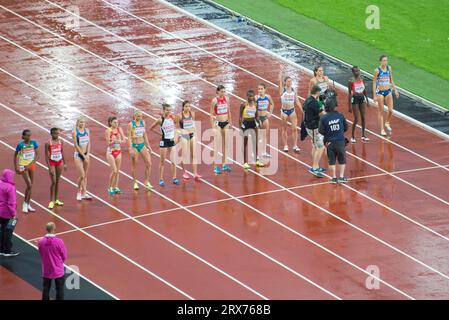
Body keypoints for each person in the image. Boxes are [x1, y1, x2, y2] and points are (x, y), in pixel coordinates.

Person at [149, 103, 180, 187]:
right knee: (162, 161)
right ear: (163, 110)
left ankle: (174, 178)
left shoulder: (172, 118)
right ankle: (161, 179)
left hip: (171, 141)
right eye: (167, 110)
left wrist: (176, 135)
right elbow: (151, 128)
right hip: (164, 141)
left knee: (173, 160)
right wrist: (160, 134)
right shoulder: (160, 120)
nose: (169, 112)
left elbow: (177, 125)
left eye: (170, 110)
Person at [319, 99, 349, 184]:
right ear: (334, 106)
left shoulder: (323, 118)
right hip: (340, 142)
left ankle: (334, 178)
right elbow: (346, 127)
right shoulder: (340, 116)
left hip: (329, 143)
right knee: (342, 159)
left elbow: (320, 130)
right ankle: (341, 177)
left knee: (331, 160)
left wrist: (328, 134)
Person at [38, 222, 67, 300]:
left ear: (46, 229)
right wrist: (60, 262)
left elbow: (40, 252)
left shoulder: (40, 241)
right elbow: (64, 255)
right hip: (58, 269)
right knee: (59, 289)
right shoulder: (59, 241)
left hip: (46, 268)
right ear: (54, 229)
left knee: (46, 288)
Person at [372, 55, 399, 136]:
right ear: (380, 61)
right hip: (380, 92)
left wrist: (395, 90)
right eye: (384, 60)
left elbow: (391, 80)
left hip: (388, 91)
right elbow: (374, 83)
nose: (385, 62)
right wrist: (374, 95)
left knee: (391, 110)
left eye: (386, 60)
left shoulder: (389, 68)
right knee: (381, 111)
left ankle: (387, 122)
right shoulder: (377, 70)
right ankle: (382, 129)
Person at [175, 101, 201, 181]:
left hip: (192, 135)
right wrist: (178, 136)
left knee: (194, 155)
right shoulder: (179, 116)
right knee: (184, 155)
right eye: (186, 106)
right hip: (184, 136)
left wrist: (196, 134)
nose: (188, 108)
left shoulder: (192, 114)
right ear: (183, 107)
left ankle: (195, 173)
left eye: (189, 106)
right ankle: (184, 172)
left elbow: (193, 124)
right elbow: (177, 128)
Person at [303, 85, 326, 177]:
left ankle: (315, 165)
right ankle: (315, 167)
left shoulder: (308, 100)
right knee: (321, 147)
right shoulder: (314, 103)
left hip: (309, 125)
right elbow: (322, 113)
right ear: (317, 92)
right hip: (313, 127)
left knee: (314, 146)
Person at [239, 89, 265, 170]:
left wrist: (259, 121)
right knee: (245, 143)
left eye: (252, 96)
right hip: (246, 123)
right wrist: (240, 126)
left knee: (255, 142)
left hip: (253, 123)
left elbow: (256, 115)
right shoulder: (243, 104)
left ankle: (256, 160)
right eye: (250, 96)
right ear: (247, 97)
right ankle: (245, 162)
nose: (251, 97)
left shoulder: (255, 104)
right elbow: (240, 116)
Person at [14, 129, 38, 212]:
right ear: (23, 136)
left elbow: (37, 155)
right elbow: (15, 156)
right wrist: (16, 167)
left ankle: (28, 204)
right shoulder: (20, 145)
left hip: (31, 165)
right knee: (29, 185)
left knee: (31, 186)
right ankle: (24, 204)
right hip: (23, 166)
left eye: (30, 135)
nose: (29, 137)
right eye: (27, 135)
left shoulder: (34, 143)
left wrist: (30, 164)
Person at [127, 110, 153, 190]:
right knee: (135, 165)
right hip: (134, 145)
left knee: (149, 164)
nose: (140, 117)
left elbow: (145, 135)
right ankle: (135, 182)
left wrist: (148, 146)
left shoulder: (143, 123)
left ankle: (146, 181)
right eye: (138, 116)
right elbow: (129, 137)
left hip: (142, 145)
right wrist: (130, 148)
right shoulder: (131, 125)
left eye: (141, 116)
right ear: (135, 116)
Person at [210, 85, 232, 174]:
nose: (223, 93)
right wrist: (212, 126)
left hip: (226, 123)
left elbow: (229, 110)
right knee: (217, 145)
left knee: (226, 145)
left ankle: (224, 164)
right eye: (222, 91)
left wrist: (230, 121)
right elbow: (211, 114)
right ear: (218, 92)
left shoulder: (227, 99)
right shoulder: (214, 101)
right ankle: (215, 166)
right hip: (218, 124)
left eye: (224, 91)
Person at [279, 71, 302, 153]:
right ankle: (285, 145)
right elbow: (280, 80)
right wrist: (281, 72)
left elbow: (297, 101)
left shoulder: (293, 90)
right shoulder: (282, 89)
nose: (290, 82)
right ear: (285, 82)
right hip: (284, 112)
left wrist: (302, 110)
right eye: (288, 81)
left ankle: (295, 145)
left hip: (292, 111)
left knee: (295, 129)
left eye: (291, 81)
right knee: (284, 129)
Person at [45, 128, 66, 209]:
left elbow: (62, 151)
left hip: (59, 162)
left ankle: (56, 199)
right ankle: (51, 201)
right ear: (51, 134)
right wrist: (49, 167)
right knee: (53, 181)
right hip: (52, 162)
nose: (56, 135)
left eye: (57, 134)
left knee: (57, 181)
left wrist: (65, 163)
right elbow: (46, 156)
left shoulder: (61, 141)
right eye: (54, 134)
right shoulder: (48, 143)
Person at [72, 117, 92, 201]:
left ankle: (84, 193)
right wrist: (83, 156)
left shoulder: (87, 131)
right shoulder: (74, 132)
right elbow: (76, 145)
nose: (82, 124)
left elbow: (89, 143)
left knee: (85, 175)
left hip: (86, 154)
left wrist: (87, 154)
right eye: (80, 122)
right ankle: (78, 192)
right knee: (82, 175)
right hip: (78, 155)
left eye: (83, 122)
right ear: (77, 123)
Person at [0, 169, 19, 257]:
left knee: (1, 229)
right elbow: (11, 202)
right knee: (8, 231)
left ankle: (1, 247)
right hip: (7, 213)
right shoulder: (10, 188)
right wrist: (14, 214)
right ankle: (6, 250)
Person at [348, 66, 370, 143]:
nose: (358, 72)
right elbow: (349, 93)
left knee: (363, 117)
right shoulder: (351, 81)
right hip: (355, 99)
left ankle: (363, 135)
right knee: (356, 119)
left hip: (362, 98)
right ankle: (352, 136)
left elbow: (364, 90)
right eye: (356, 71)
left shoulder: (362, 78)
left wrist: (367, 100)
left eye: (359, 71)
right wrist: (349, 106)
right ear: (353, 72)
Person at [105, 117, 125, 195]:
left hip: (118, 151)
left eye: (117, 122)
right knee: (114, 171)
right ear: (110, 123)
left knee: (118, 172)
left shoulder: (120, 129)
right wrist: (114, 141)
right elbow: (108, 143)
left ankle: (115, 187)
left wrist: (119, 141)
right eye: (114, 122)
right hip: (111, 152)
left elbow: (124, 140)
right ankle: (109, 187)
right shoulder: (108, 131)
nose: (116, 124)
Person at [256, 83, 275, 158]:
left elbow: (272, 104)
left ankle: (264, 152)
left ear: (265, 89)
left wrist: (270, 113)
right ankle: (257, 153)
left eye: (261, 89)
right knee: (258, 136)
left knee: (265, 136)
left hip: (265, 118)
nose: (260, 90)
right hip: (258, 118)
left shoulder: (268, 97)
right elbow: (252, 107)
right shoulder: (256, 98)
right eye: (259, 89)